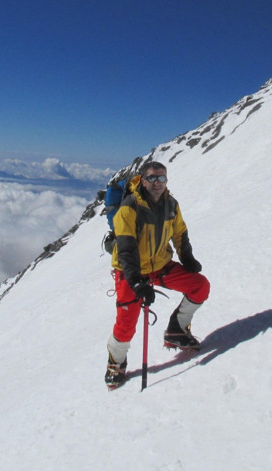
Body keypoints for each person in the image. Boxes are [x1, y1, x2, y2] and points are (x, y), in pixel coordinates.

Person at [105, 161, 210, 388]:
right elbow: (126, 248)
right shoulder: (129, 208)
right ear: (142, 180)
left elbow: (180, 232)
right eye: (152, 178)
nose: (157, 183)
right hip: (130, 269)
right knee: (126, 323)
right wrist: (136, 282)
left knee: (200, 286)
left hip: (159, 265)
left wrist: (187, 259)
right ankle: (116, 362)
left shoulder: (171, 205)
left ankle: (177, 330)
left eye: (162, 178)